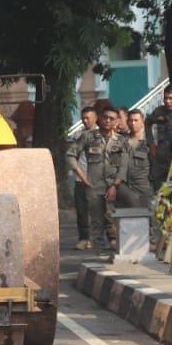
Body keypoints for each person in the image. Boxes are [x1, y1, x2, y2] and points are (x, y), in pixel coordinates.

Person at [65, 106, 125, 251]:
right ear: (99, 118)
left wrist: (115, 185)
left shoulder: (122, 141)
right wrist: (81, 175)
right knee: (96, 219)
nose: (107, 121)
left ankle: (114, 243)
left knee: (113, 216)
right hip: (94, 185)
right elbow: (70, 155)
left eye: (111, 118)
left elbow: (124, 166)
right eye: (105, 117)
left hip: (114, 185)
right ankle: (98, 250)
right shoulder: (88, 137)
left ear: (117, 121)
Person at [111, 109, 153, 209]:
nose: (133, 123)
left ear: (142, 121)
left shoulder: (150, 141)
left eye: (136, 120)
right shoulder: (122, 141)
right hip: (125, 186)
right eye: (130, 120)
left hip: (143, 187)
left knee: (146, 218)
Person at [146, 86, 172, 191]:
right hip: (162, 156)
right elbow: (147, 124)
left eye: (171, 98)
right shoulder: (159, 111)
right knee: (159, 188)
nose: (167, 101)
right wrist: (151, 144)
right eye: (165, 98)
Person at [72, 106, 97, 250]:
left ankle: (97, 238)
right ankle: (83, 238)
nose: (85, 121)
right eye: (83, 118)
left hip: (96, 179)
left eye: (88, 118)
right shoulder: (78, 135)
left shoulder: (101, 135)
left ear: (95, 118)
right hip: (80, 179)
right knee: (81, 211)